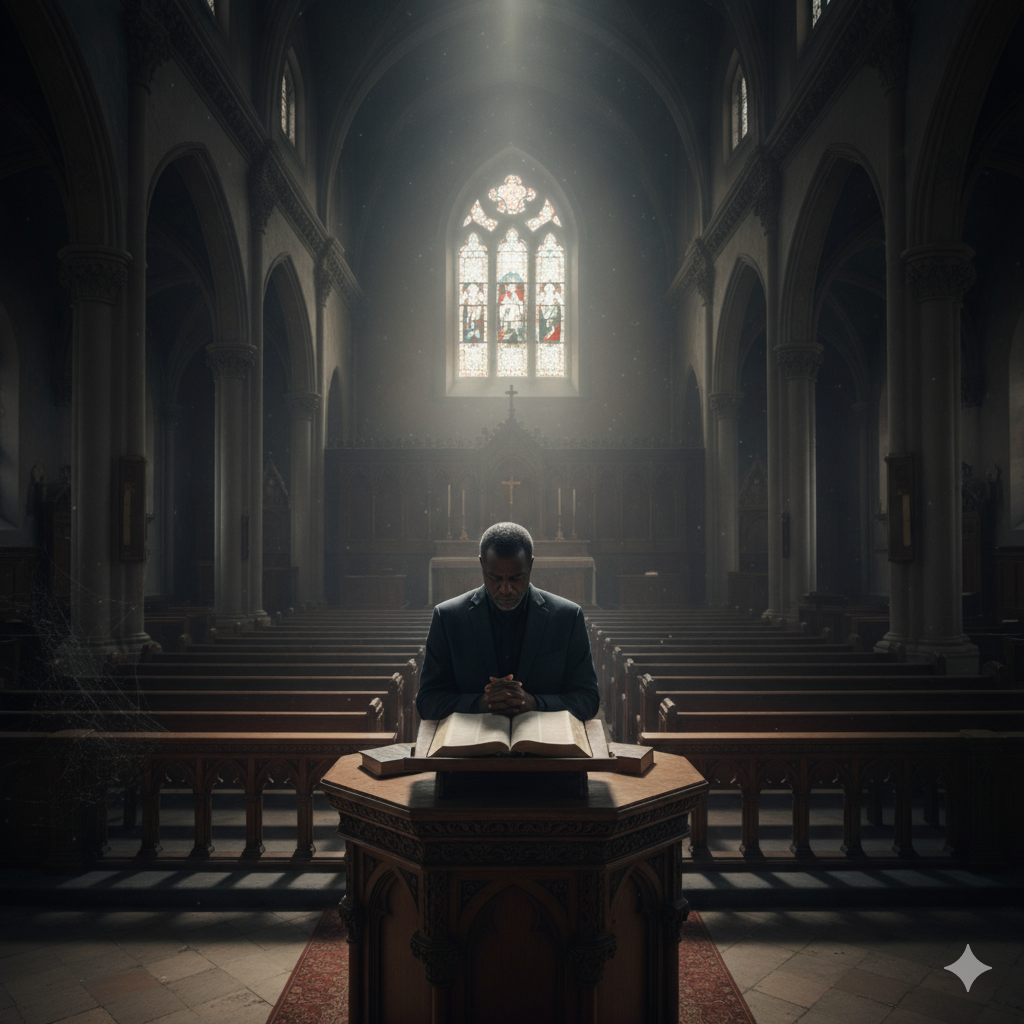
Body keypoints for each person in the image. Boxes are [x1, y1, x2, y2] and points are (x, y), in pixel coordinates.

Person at [415, 522, 600, 722]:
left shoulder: (568, 617)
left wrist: (535, 703)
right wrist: (480, 703)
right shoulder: (448, 618)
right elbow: (427, 701)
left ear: (530, 564)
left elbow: (588, 699)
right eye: (494, 578)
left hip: (546, 749)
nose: (505, 589)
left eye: (516, 578)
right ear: (481, 564)